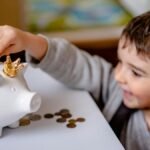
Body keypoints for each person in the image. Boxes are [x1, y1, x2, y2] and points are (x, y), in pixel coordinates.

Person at [0, 11, 150, 150]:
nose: (118, 76)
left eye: (136, 73)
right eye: (119, 61)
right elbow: (76, 64)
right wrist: (27, 41)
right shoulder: (116, 88)